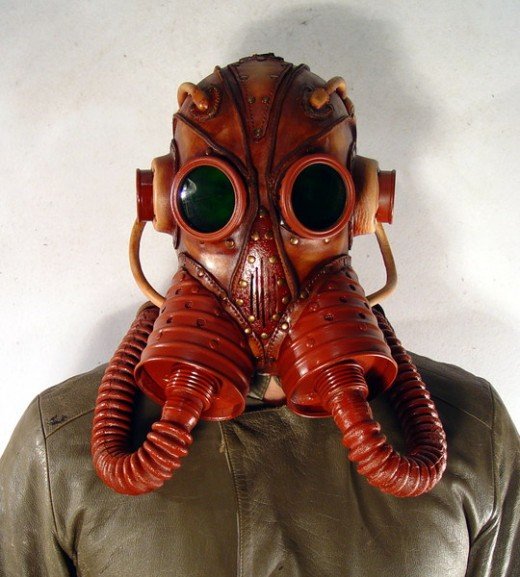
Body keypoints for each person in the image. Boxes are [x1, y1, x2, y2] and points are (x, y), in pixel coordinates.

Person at [1, 54, 518, 576]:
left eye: (313, 196)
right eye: (214, 198)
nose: (262, 242)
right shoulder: (60, 447)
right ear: (162, 203)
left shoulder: (476, 438)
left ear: (362, 203)